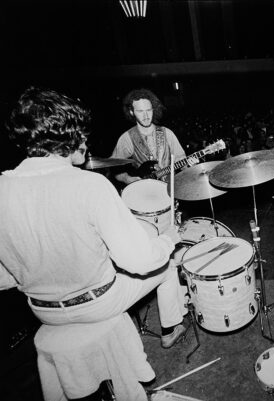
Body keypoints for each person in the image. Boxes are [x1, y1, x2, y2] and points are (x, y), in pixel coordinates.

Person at [0, 88, 187, 348]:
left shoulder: (3, 187)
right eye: (83, 135)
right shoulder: (90, 184)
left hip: (41, 310)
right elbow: (141, 261)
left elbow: (4, 277)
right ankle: (170, 330)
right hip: (96, 303)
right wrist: (168, 239)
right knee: (165, 265)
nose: (87, 145)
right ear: (70, 136)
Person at [111, 88, 187, 185]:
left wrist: (189, 166)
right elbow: (114, 167)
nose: (146, 115)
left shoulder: (167, 133)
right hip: (144, 191)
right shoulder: (127, 138)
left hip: (169, 189)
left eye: (148, 110)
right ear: (132, 112)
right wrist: (127, 179)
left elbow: (181, 160)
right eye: (140, 111)